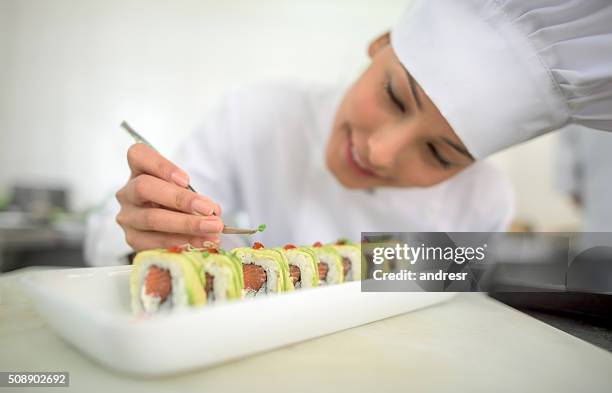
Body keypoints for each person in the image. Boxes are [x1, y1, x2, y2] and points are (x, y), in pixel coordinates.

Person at [85, 0, 612, 266]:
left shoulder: (483, 201)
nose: (380, 151)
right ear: (379, 44)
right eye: (393, 96)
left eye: (438, 153)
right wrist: (147, 232)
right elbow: (105, 239)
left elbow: (446, 304)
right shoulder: (258, 114)